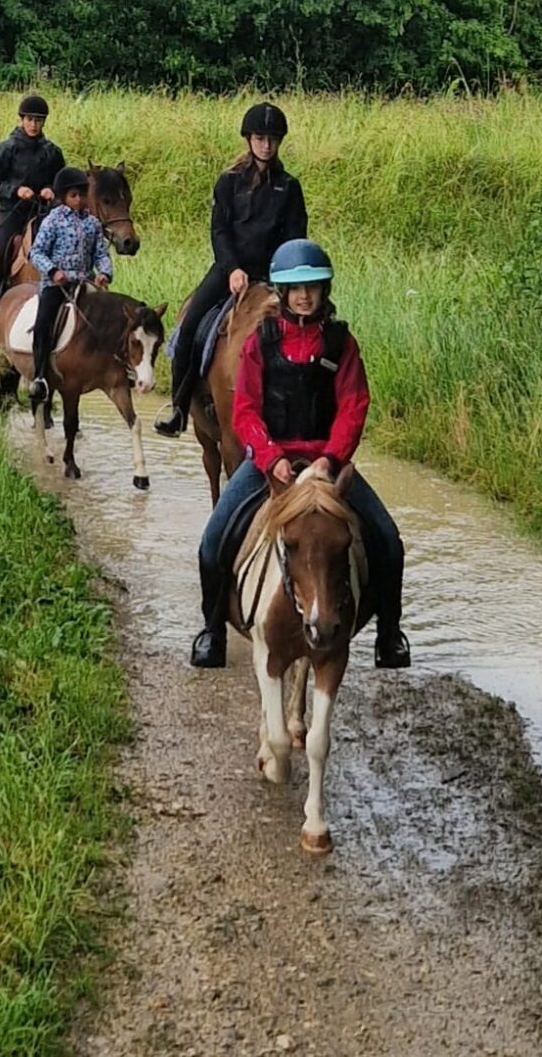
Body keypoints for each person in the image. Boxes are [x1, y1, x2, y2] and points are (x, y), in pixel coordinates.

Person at [191, 238, 411, 671]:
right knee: (212, 541)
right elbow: (246, 409)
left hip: (326, 464)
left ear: (323, 290)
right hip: (271, 466)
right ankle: (212, 630)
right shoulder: (260, 343)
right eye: (295, 288)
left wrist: (331, 459)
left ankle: (389, 635)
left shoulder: (341, 344)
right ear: (283, 293)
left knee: (388, 539)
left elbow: (354, 405)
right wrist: (270, 458)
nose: (304, 295)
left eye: (312, 287)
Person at [154, 102, 307, 437]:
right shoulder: (229, 182)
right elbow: (219, 231)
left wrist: (283, 278)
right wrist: (233, 269)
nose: (266, 144)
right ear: (249, 139)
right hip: (231, 271)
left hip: (274, 277)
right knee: (189, 328)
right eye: (260, 137)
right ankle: (178, 408)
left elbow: (296, 235)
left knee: (311, 327)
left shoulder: (289, 187)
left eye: (272, 138)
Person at [26, 166, 114, 402]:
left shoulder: (93, 224)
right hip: (57, 285)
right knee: (44, 322)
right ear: (63, 197)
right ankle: (40, 375)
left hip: (84, 282)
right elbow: (37, 252)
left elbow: (101, 254)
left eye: (82, 195)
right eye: (74, 195)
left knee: (110, 317)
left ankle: (115, 365)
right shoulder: (52, 221)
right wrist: (53, 272)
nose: (79, 200)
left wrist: (104, 272)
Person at [0, 93, 67, 334]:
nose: (33, 125)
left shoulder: (53, 152)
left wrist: (53, 190)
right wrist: (16, 190)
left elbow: (63, 184)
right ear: (21, 119)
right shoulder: (7, 148)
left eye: (38, 120)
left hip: (44, 213)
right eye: (29, 119)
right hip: (13, 211)